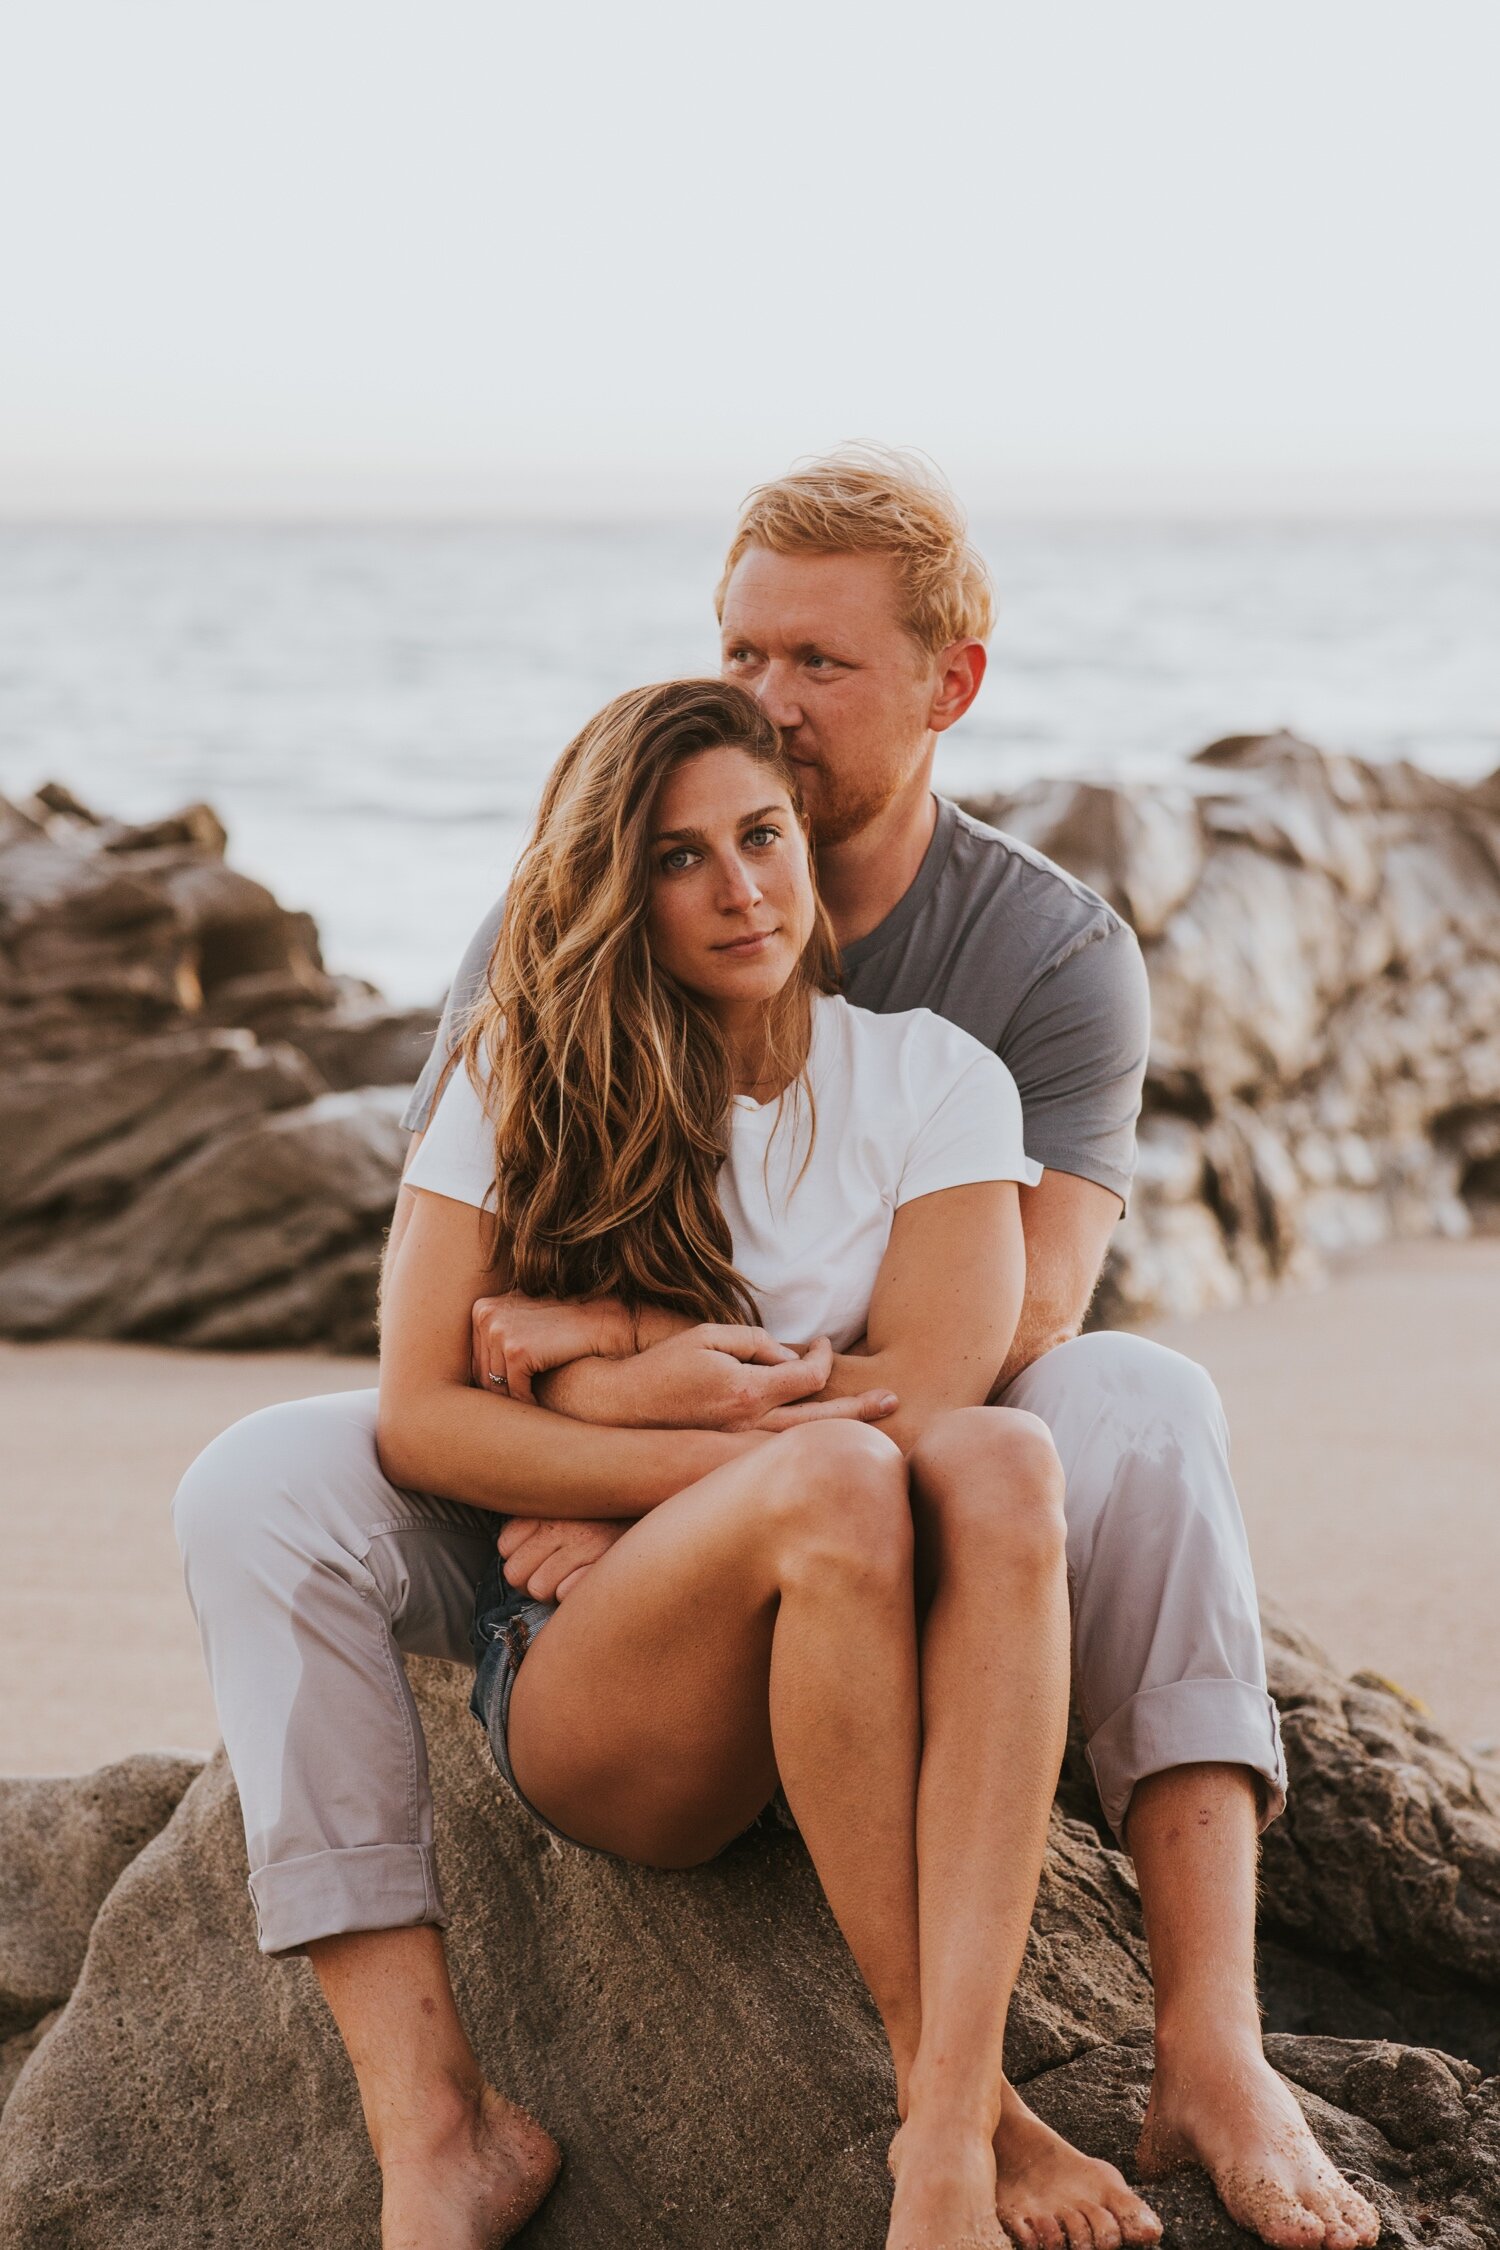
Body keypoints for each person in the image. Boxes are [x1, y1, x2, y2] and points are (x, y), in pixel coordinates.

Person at [173, 445, 1379, 2250]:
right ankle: (432, 2121)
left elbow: (1015, 1327)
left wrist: (642, 1366)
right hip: (655, 1528)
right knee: (252, 1481)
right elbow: (458, 1338)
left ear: (948, 686)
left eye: (816, 666)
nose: (767, 704)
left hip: (877, 1452)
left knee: (1126, 1399)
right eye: (742, 653)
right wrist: (628, 1421)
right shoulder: (554, 957)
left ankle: (1205, 2041)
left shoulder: (1039, 964)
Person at [382, 674, 1097, 2250]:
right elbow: (419, 1412)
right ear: (614, 885)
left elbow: (925, 1393)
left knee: (1001, 1467)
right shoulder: (524, 1073)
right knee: (840, 1481)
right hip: (602, 1679)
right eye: (679, 856)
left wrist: (620, 1377)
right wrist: (685, 1479)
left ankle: (948, 2117)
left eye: (761, 834)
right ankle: (958, 2122)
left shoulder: (935, 1084)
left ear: (803, 836)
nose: (742, 887)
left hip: (846, 1641)